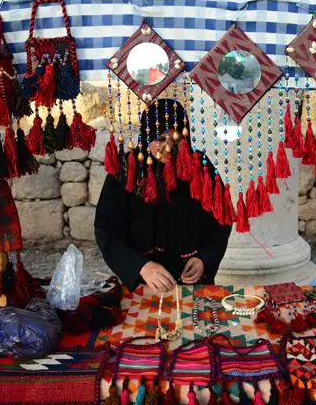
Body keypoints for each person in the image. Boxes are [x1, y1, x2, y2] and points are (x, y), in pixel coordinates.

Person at [94, 98, 232, 294]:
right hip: (142, 282)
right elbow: (106, 230)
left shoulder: (199, 167)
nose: (167, 148)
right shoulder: (126, 171)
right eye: (159, 139)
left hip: (192, 280)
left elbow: (222, 219)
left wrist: (204, 259)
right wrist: (140, 267)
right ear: (146, 135)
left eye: (175, 140)